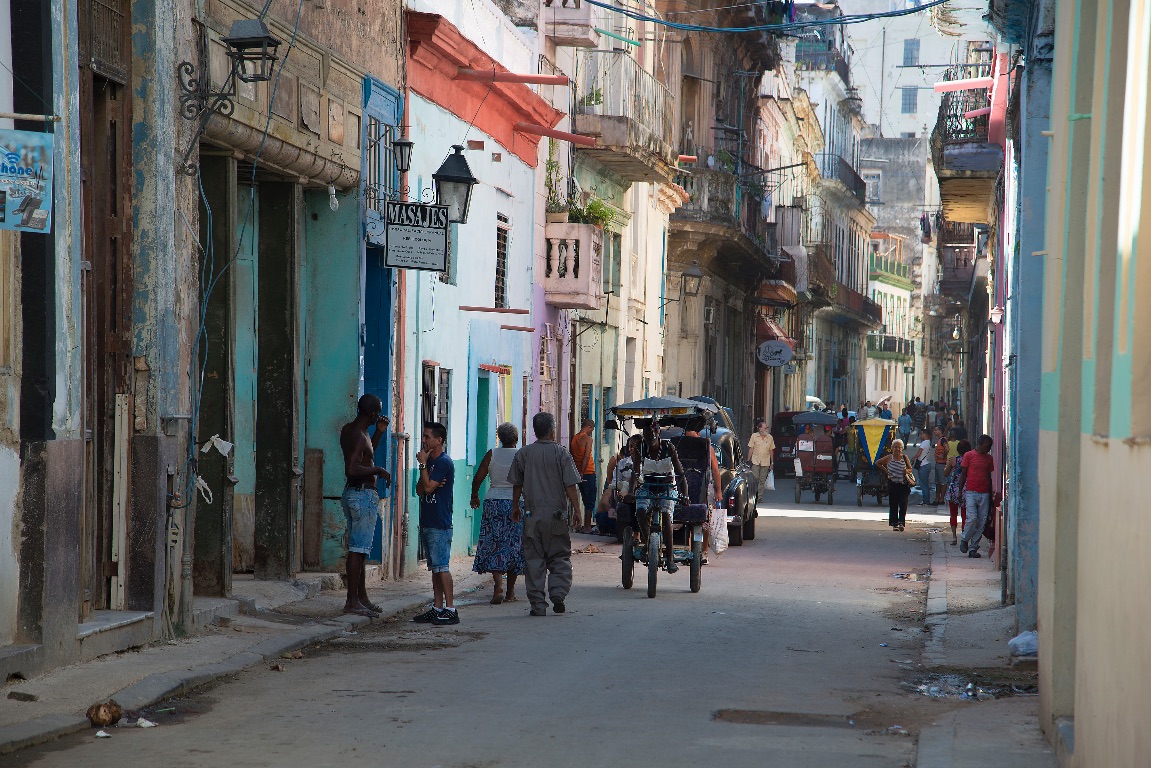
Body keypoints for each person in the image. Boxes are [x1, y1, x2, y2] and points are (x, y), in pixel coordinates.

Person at [509, 412, 584, 617]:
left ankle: (537, 605)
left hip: (531, 516)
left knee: (534, 560)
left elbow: (517, 484)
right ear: (552, 431)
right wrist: (577, 511)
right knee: (559, 556)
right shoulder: (561, 454)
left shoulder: (523, 454)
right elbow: (570, 485)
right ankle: (558, 593)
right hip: (556, 516)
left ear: (535, 431)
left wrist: (516, 507)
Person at [339, 394, 392, 618]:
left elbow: (365, 457)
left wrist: (379, 432)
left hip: (352, 494)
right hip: (362, 496)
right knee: (358, 550)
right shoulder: (360, 436)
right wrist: (378, 471)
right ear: (371, 413)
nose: (378, 416)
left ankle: (361, 598)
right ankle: (352, 601)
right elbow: (353, 468)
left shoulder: (351, 431)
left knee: (359, 550)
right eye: (377, 412)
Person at [470, 423, 525, 605]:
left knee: (495, 544)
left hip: (493, 502)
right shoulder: (521, 455)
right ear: (516, 439)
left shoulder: (491, 454)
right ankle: (510, 592)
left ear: (499, 438)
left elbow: (478, 477)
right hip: (516, 504)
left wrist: (474, 496)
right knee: (513, 546)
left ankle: (498, 587)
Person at [626, 418, 689, 576]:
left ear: (658, 434)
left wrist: (685, 495)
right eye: (646, 438)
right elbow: (635, 472)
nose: (649, 441)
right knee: (640, 511)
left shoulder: (669, 447)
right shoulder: (641, 447)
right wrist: (631, 491)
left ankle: (669, 558)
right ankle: (648, 543)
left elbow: (681, 474)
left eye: (652, 438)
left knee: (667, 515)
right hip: (647, 486)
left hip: (667, 487)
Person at [411, 422, 458, 626]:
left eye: (427, 437)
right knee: (435, 569)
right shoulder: (429, 461)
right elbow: (419, 489)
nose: (424, 440)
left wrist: (423, 468)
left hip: (440, 522)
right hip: (428, 520)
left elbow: (428, 488)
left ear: (439, 440)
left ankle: (451, 608)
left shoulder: (443, 462)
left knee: (442, 567)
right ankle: (437, 607)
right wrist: (426, 473)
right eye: (423, 436)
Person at [959, 434, 996, 558]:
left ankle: (973, 547)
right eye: (987, 446)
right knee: (972, 518)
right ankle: (965, 539)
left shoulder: (989, 459)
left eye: (990, 447)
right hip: (971, 492)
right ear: (980, 444)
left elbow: (989, 478)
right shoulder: (969, 455)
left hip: (984, 493)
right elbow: (963, 475)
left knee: (982, 522)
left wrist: (991, 496)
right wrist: (960, 492)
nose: (988, 449)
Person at [875, 438, 915, 532]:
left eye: (899, 447)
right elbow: (878, 463)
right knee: (893, 504)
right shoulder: (889, 457)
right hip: (892, 484)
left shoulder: (904, 457)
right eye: (895, 447)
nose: (897, 449)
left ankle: (901, 522)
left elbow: (910, 469)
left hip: (903, 484)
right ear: (892, 448)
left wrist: (906, 471)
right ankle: (894, 524)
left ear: (902, 448)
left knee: (903, 503)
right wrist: (887, 471)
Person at [569, 418, 597, 534]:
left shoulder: (574, 438)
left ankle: (582, 524)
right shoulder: (588, 439)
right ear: (589, 427)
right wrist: (583, 471)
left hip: (577, 472)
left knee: (585, 498)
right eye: (592, 429)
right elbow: (586, 457)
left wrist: (578, 472)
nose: (591, 432)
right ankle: (587, 527)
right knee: (590, 500)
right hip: (588, 472)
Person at [945, 439, 972, 545]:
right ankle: (964, 537)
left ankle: (954, 536)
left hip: (954, 489)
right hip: (966, 488)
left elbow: (946, 473)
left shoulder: (953, 460)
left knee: (953, 514)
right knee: (965, 514)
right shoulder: (970, 460)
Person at [747, 417, 775, 496]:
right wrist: (748, 460)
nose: (766, 429)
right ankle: (753, 495)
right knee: (755, 478)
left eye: (767, 428)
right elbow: (751, 449)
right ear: (760, 429)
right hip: (755, 461)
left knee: (762, 480)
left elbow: (771, 450)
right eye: (765, 428)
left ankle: (759, 497)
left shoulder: (770, 437)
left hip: (765, 462)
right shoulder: (754, 436)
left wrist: (772, 463)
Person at [915, 430, 935, 506]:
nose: (920, 436)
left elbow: (919, 453)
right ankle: (926, 500)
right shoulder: (928, 442)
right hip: (926, 463)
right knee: (925, 484)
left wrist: (913, 458)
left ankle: (926, 501)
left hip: (923, 465)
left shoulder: (924, 443)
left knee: (923, 484)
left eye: (921, 434)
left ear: (925, 434)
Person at [933, 427, 948, 505]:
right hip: (938, 463)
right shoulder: (940, 440)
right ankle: (937, 499)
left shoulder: (943, 440)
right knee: (938, 482)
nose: (934, 432)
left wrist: (944, 456)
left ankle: (941, 499)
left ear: (940, 431)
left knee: (942, 482)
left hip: (942, 464)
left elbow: (947, 449)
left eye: (936, 430)